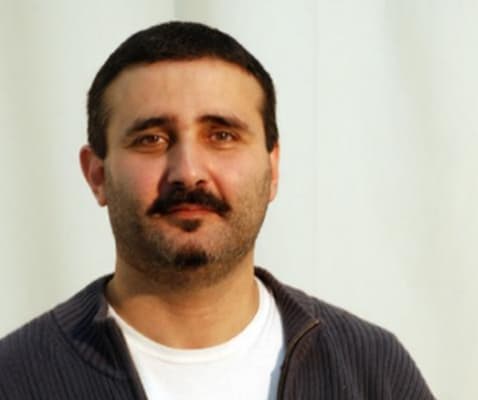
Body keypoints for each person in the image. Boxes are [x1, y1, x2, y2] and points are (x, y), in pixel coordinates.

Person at [0, 21, 434, 399]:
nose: (188, 173)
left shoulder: (372, 370)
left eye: (222, 135)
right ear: (96, 175)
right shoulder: (16, 379)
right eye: (151, 139)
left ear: (273, 168)